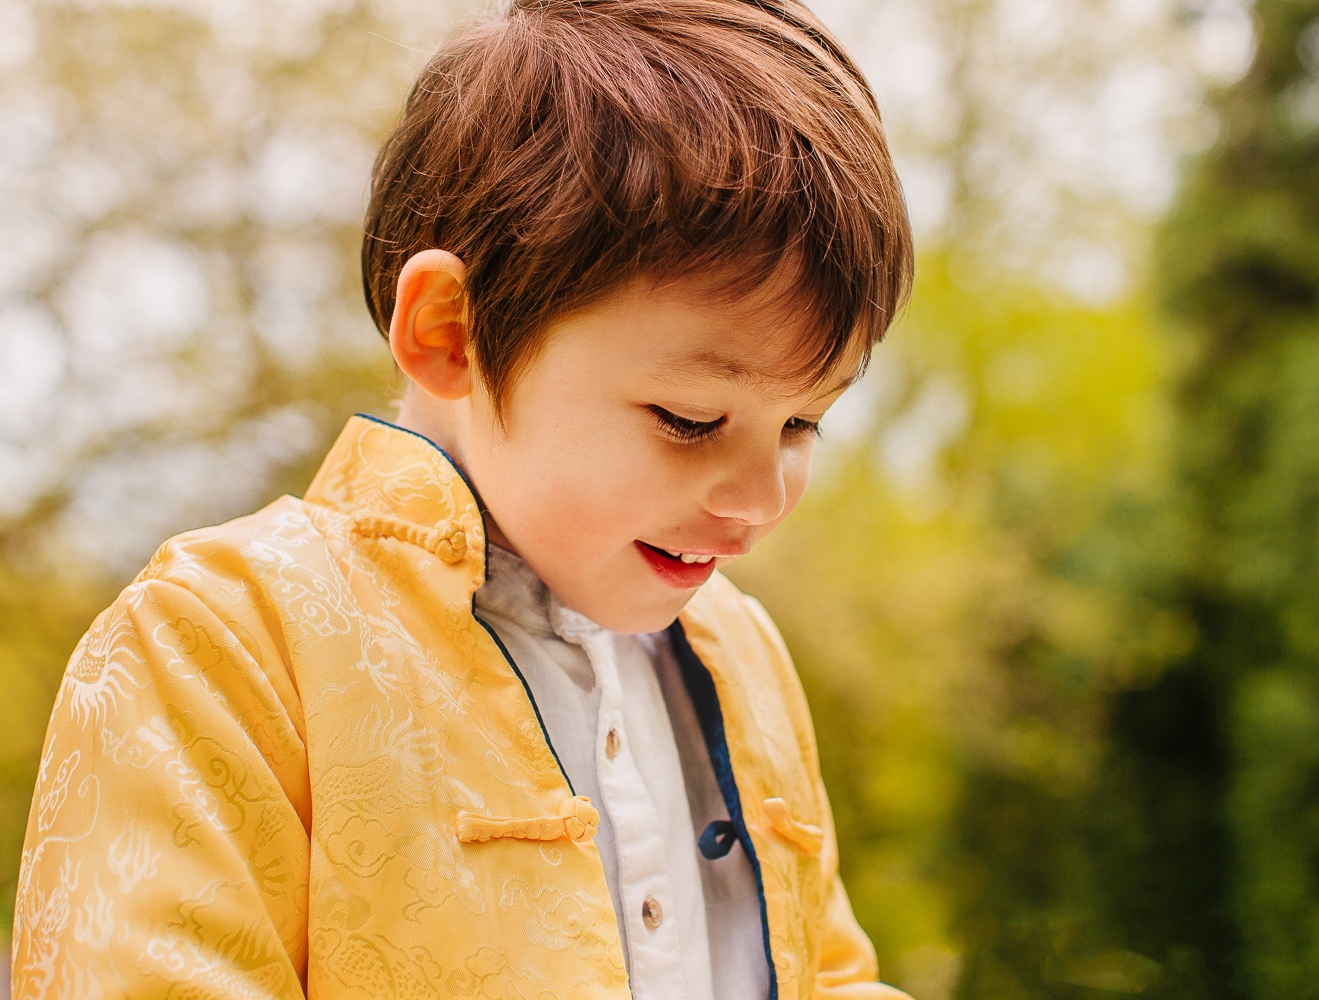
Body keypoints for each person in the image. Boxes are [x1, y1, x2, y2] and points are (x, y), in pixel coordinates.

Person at [10, 0, 914, 996]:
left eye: (803, 425)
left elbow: (826, 971)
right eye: (690, 419)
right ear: (450, 331)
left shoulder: (745, 660)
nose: (760, 498)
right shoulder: (225, 645)